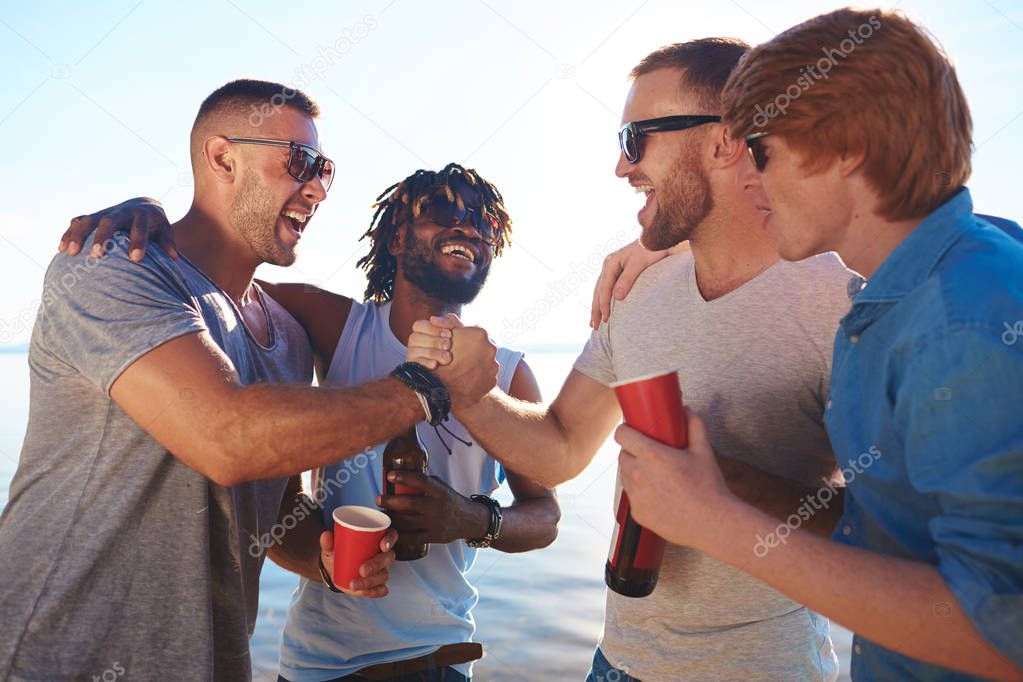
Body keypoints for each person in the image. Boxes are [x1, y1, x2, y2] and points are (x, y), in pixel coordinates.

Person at [0, 79, 497, 681]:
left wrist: (323, 556)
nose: (315, 187)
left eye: (325, 170)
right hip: (57, 659)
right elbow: (227, 439)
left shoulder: (286, 335)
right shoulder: (112, 268)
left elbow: (275, 502)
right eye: (299, 162)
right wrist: (426, 386)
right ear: (221, 157)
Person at [409, 39, 855, 681]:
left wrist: (724, 486)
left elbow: (897, 531)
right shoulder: (639, 290)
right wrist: (472, 392)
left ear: (726, 139)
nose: (622, 168)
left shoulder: (840, 304)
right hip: (616, 663)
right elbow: (561, 446)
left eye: (635, 138)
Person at [610, 8, 1023, 681]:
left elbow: (1003, 629)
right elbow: (892, 540)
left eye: (763, 153)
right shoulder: (906, 294)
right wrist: (723, 482)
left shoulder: (963, 322)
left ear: (845, 147)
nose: (750, 180)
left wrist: (714, 523)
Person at [77, 163, 562, 681]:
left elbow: (545, 517)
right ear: (397, 236)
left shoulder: (506, 375)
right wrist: (151, 221)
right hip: (314, 664)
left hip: (434, 662)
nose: (467, 228)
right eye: (444, 212)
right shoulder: (331, 325)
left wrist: (471, 521)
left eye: (483, 224)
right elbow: (209, 279)